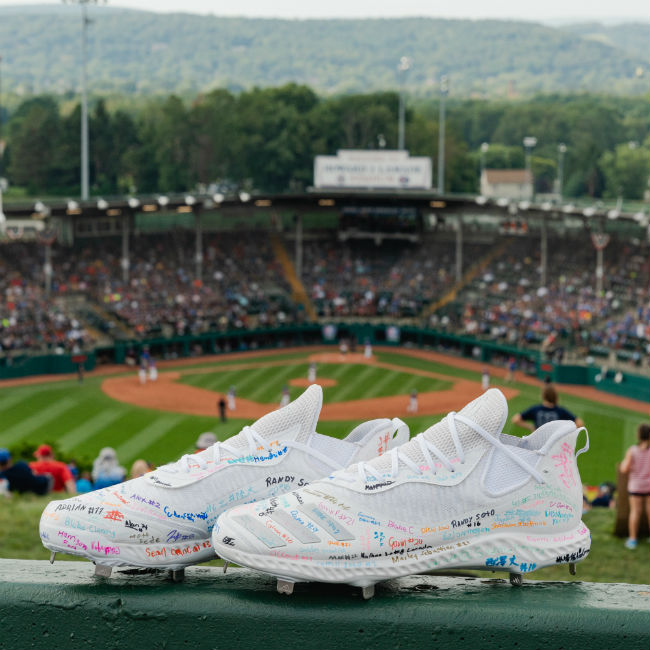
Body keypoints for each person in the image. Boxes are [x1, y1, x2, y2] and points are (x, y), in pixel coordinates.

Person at [620, 423, 650, 550]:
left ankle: (633, 540)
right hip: (648, 486)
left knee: (635, 512)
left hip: (636, 487)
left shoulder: (632, 450)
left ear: (638, 435)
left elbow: (624, 469)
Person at [511, 385, 585, 431]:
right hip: (553, 446)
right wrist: (563, 432)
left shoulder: (535, 409)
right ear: (555, 397)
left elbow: (515, 419)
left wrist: (531, 427)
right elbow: (580, 423)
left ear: (543, 396)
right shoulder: (560, 411)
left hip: (537, 445)